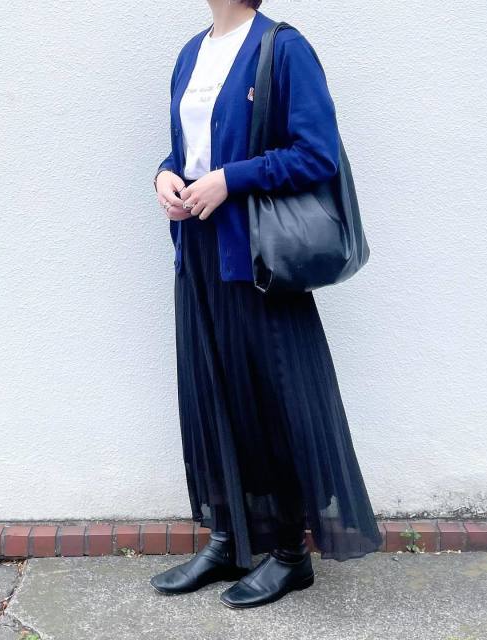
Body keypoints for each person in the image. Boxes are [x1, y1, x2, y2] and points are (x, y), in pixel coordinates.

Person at [150, 0, 383, 609]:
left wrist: (232, 179)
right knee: (214, 396)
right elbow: (188, 151)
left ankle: (288, 554)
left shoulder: (283, 48)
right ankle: (229, 539)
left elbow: (317, 153)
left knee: (271, 403)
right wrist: (165, 175)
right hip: (198, 253)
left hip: (255, 259)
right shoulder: (190, 54)